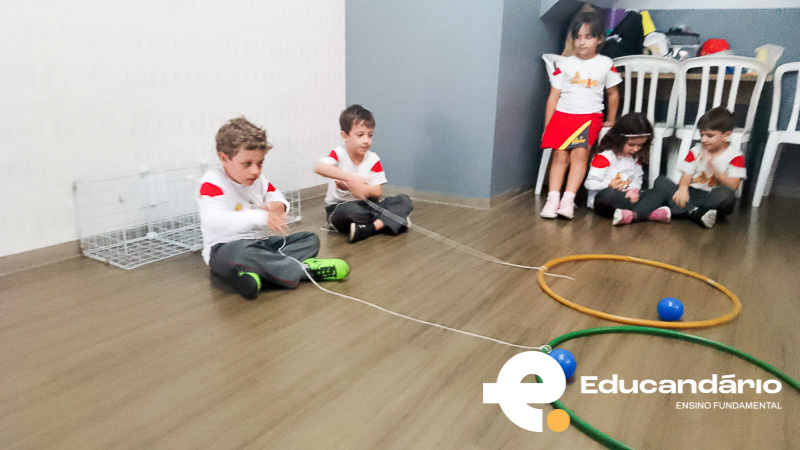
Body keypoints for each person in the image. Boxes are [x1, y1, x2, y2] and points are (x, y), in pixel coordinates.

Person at [198, 117, 350, 300]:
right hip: (223, 249)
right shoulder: (212, 182)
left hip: (259, 244)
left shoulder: (258, 181)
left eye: (260, 163)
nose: (255, 171)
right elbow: (213, 220)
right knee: (242, 252)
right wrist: (260, 216)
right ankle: (304, 271)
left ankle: (256, 274)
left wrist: (277, 207)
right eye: (247, 164)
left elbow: (278, 198)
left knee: (310, 239)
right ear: (224, 158)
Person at [540, 11, 621, 219]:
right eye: (578, 37)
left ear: (599, 39)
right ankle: (553, 198)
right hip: (563, 115)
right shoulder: (565, 64)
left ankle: (568, 199)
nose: (582, 42)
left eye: (588, 37)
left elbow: (613, 94)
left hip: (589, 117)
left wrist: (611, 119)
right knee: (559, 155)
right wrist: (548, 125)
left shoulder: (606, 64)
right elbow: (553, 96)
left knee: (580, 153)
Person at [613, 107, 744, 228]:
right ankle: (695, 212)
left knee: (726, 196)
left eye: (709, 135)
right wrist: (683, 188)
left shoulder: (736, 156)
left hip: (711, 196)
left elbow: (733, 186)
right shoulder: (696, 150)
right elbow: (686, 175)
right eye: (701, 134)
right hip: (692, 193)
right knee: (661, 181)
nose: (704, 139)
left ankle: (675, 208)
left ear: (726, 135)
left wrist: (712, 167)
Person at [314, 104, 413, 243]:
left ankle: (370, 228)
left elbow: (377, 192)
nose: (366, 140)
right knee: (351, 210)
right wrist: (352, 180)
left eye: (370, 135)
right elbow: (320, 167)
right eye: (360, 135)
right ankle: (391, 221)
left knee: (404, 200)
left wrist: (363, 189)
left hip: (368, 205)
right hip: (341, 208)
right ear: (345, 136)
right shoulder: (338, 153)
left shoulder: (373, 159)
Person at [586, 113, 671, 224]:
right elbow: (590, 183)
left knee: (661, 192)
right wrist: (609, 185)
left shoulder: (634, 158)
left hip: (628, 197)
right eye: (631, 145)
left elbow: (637, 180)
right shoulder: (604, 157)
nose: (635, 149)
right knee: (608, 195)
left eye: (640, 145)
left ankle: (632, 215)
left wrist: (632, 190)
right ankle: (647, 213)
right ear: (618, 139)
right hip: (607, 198)